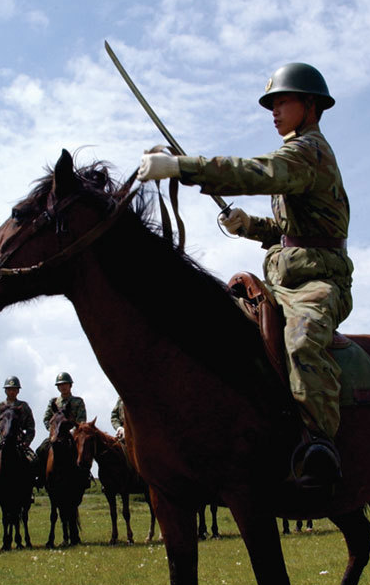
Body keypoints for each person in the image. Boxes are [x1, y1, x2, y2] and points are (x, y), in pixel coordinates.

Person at [138, 61, 352, 497]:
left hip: (318, 282)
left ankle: (321, 444)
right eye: (270, 104)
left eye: (282, 101)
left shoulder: (309, 152)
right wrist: (247, 225)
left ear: (309, 106)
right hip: (279, 280)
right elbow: (287, 232)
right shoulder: (296, 154)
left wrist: (181, 167)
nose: (273, 110)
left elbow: (257, 171)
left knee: (302, 337)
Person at [35, 371, 87, 465]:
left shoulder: (78, 401)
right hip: (56, 435)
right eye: (60, 385)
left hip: (72, 436)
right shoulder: (54, 402)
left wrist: (73, 431)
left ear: (70, 385)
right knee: (40, 451)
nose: (63, 387)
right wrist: (53, 430)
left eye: (65, 384)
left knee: (83, 454)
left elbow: (81, 420)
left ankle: (85, 477)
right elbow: (46, 419)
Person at [0, 376, 36, 466]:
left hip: (20, 442)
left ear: (18, 391)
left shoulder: (24, 406)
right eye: (9, 389)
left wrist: (26, 442)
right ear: (5, 391)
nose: (12, 392)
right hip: (2, 440)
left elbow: (30, 427)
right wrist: (5, 431)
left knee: (34, 461)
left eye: (14, 389)